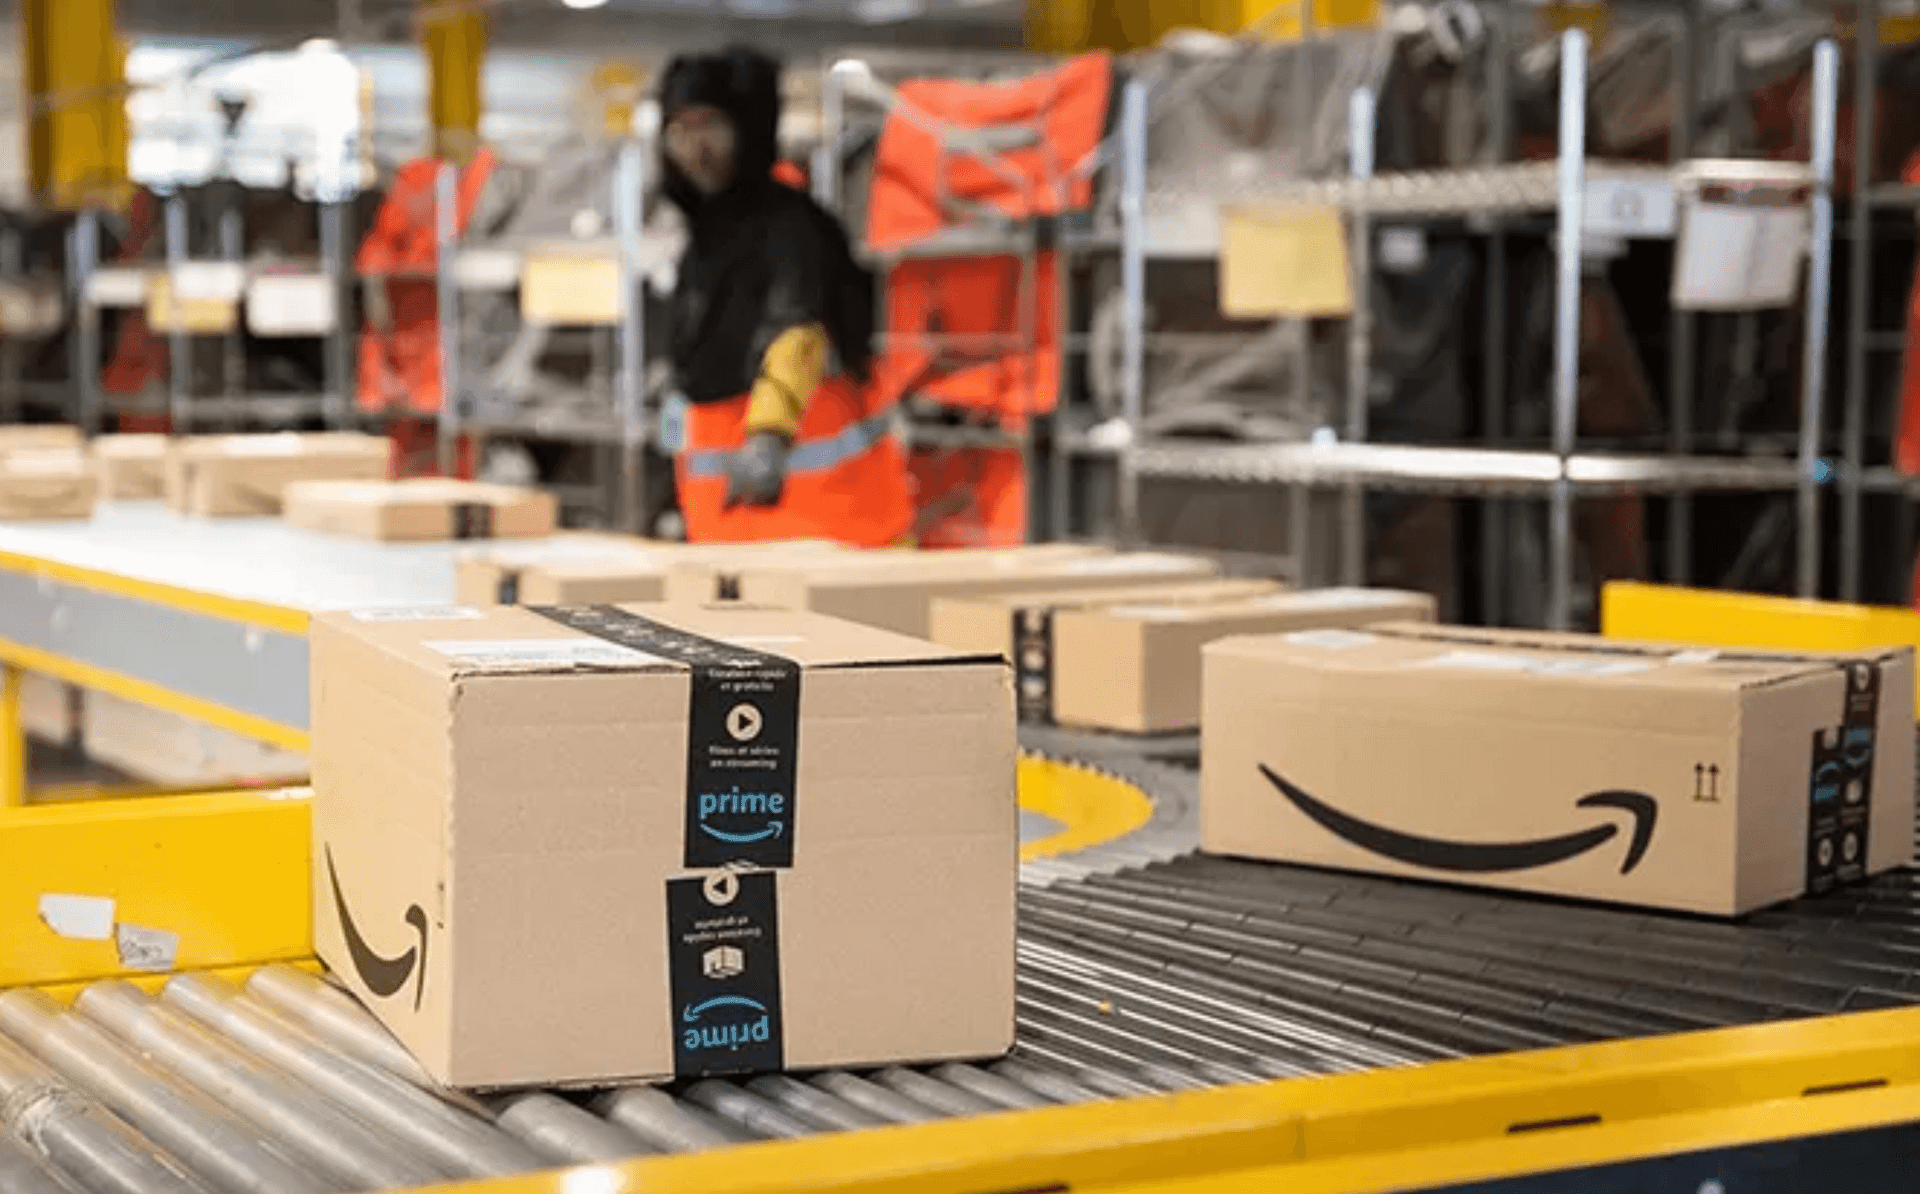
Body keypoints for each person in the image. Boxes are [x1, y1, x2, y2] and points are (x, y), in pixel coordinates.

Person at [656, 46, 914, 547]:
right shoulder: (705, 235)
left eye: (711, 125)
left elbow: (798, 331)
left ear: (746, 129)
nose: (695, 147)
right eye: (680, 129)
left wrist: (768, 434)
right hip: (737, 531)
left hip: (826, 524)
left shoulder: (790, 226)